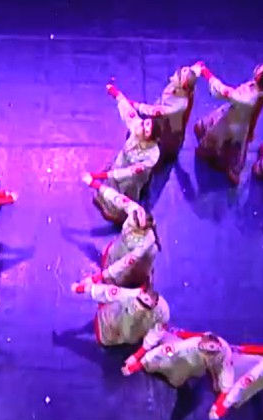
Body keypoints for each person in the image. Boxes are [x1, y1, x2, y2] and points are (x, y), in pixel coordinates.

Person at [192, 58, 263, 185]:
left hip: (231, 120)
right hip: (244, 124)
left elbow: (221, 90)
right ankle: (232, 167)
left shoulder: (244, 98)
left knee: (218, 136)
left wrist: (205, 72)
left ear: (258, 77)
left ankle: (209, 154)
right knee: (239, 144)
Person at [90, 82, 161, 223]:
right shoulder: (137, 126)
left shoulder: (153, 154)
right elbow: (128, 111)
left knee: (125, 190)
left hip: (132, 176)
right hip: (122, 160)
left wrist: (100, 176)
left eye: (146, 130)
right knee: (112, 178)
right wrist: (116, 94)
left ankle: (117, 211)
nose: (142, 127)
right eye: (145, 124)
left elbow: (129, 172)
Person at [79, 173, 160, 288]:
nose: (133, 218)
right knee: (114, 255)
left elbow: (121, 265)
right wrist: (94, 184)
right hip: (121, 246)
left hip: (134, 261)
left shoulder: (145, 243)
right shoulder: (135, 210)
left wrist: (95, 278)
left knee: (126, 275)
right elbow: (116, 198)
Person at [123, 331, 235, 396]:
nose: (210, 355)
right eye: (207, 353)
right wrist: (135, 366)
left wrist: (220, 405)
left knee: (177, 381)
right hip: (180, 355)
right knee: (150, 365)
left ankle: (211, 371)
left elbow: (227, 381)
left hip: (198, 367)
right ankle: (170, 335)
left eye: (212, 353)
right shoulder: (189, 345)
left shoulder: (225, 354)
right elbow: (160, 351)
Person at [130, 65, 198, 163]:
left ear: (183, 87)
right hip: (164, 110)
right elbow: (193, 72)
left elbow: (153, 111)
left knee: (161, 142)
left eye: (179, 75)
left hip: (168, 124)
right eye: (180, 71)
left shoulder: (176, 106)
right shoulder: (178, 87)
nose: (177, 72)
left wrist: (134, 105)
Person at [69, 282, 170, 347]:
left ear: (153, 306)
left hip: (125, 337)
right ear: (139, 295)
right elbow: (106, 292)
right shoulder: (129, 295)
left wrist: (140, 354)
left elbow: (158, 331)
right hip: (109, 322)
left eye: (145, 306)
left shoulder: (163, 312)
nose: (139, 306)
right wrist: (81, 289)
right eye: (140, 301)